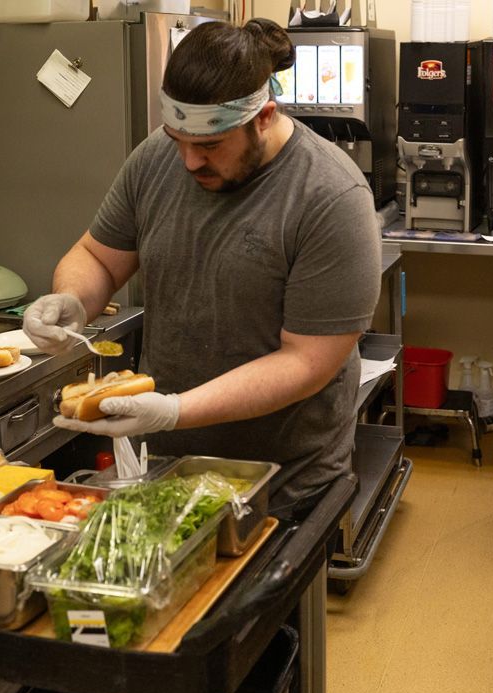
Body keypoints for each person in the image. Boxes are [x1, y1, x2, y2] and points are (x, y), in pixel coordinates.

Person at [22, 19, 381, 511]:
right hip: (166, 467)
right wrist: (71, 299)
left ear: (264, 117)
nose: (189, 162)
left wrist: (173, 411)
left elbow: (307, 363)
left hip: (281, 481)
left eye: (209, 146)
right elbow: (97, 257)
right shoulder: (155, 158)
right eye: (178, 140)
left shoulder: (329, 197)